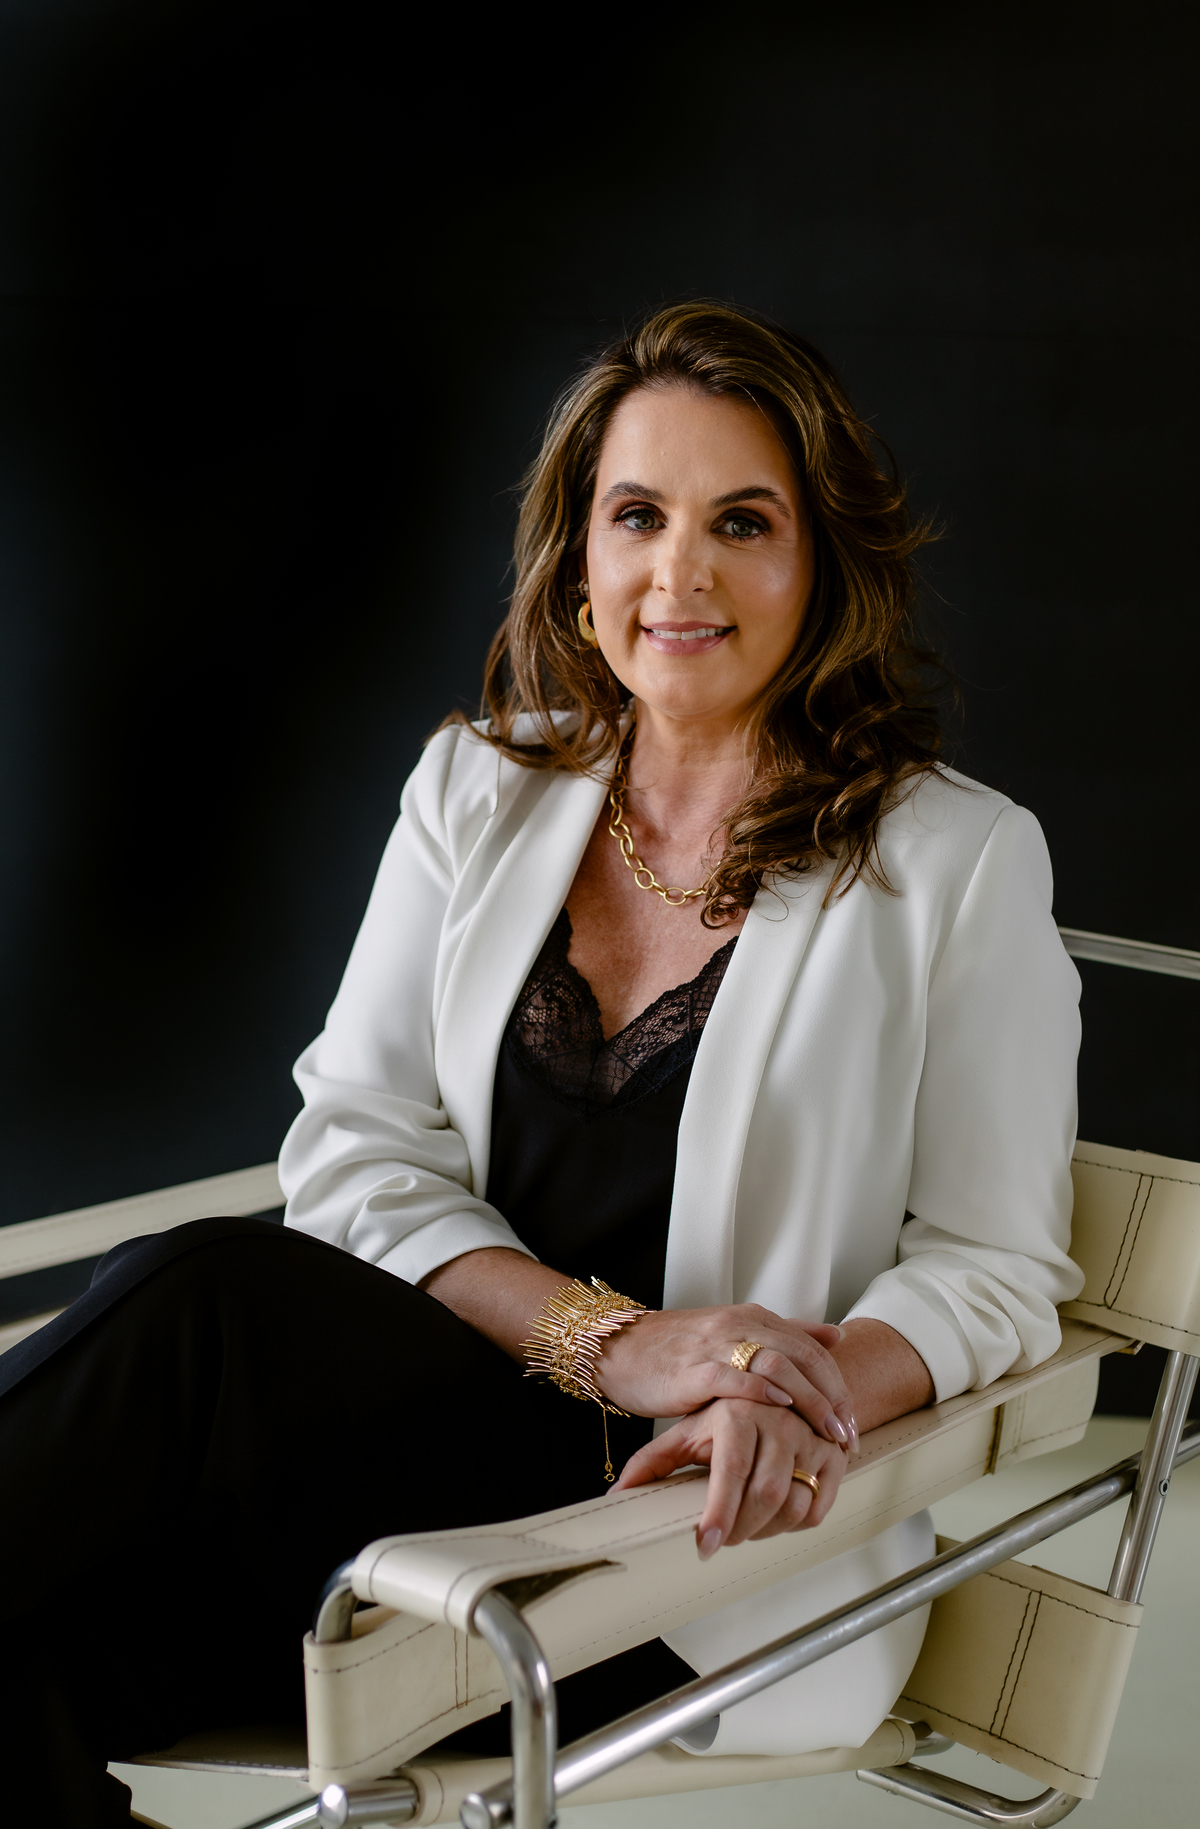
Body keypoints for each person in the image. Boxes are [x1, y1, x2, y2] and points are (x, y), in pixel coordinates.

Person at [0, 302, 1083, 1823]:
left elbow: (994, 1265)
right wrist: (609, 1340)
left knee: (199, 1295)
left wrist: (791, 1389)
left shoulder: (955, 861)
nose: (680, 572)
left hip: (679, 1543)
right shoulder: (480, 786)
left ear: (824, 565)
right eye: (638, 516)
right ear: (580, 558)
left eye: (743, 522)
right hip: (404, 1471)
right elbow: (354, 1149)